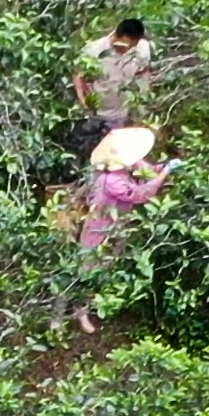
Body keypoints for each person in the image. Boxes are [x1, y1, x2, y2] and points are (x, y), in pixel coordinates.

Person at [72, 126, 178, 333]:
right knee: (88, 270)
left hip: (117, 228)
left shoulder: (127, 165)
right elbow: (140, 193)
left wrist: (162, 167)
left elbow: (146, 171)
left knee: (108, 265)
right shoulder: (111, 180)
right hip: (99, 229)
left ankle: (99, 305)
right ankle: (80, 312)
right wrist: (165, 173)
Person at [76, 17, 156, 129]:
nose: (126, 50)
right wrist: (81, 95)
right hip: (95, 113)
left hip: (121, 114)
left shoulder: (142, 48)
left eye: (130, 47)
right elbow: (78, 71)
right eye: (123, 46)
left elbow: (143, 72)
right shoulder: (94, 49)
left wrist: (143, 100)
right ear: (115, 35)